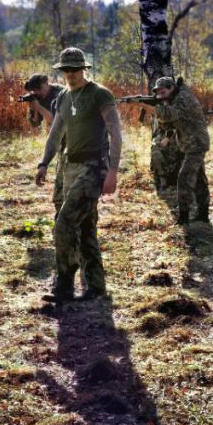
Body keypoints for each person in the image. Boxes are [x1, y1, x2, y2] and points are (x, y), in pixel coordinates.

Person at [35, 48, 122, 304]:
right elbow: (55, 133)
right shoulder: (63, 97)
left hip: (93, 168)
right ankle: (96, 287)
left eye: (75, 69)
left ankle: (63, 286)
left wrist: (113, 172)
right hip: (69, 168)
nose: (70, 75)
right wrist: (44, 163)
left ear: (84, 69)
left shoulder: (100, 94)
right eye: (66, 70)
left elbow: (115, 134)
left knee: (64, 225)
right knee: (85, 227)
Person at [153, 76, 211, 224]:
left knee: (184, 178)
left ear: (171, 88)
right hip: (190, 144)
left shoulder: (183, 98)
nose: (160, 94)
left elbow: (170, 115)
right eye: (157, 92)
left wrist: (151, 107)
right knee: (198, 179)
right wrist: (167, 136)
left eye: (163, 91)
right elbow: (174, 122)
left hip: (196, 144)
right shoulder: (175, 98)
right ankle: (203, 215)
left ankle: (183, 218)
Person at [22, 74, 68, 214]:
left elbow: (56, 122)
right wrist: (35, 108)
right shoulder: (36, 97)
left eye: (40, 89)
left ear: (46, 83)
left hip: (70, 137)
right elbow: (34, 124)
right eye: (34, 91)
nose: (38, 93)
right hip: (57, 141)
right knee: (62, 172)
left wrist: (39, 107)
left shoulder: (61, 93)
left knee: (65, 178)